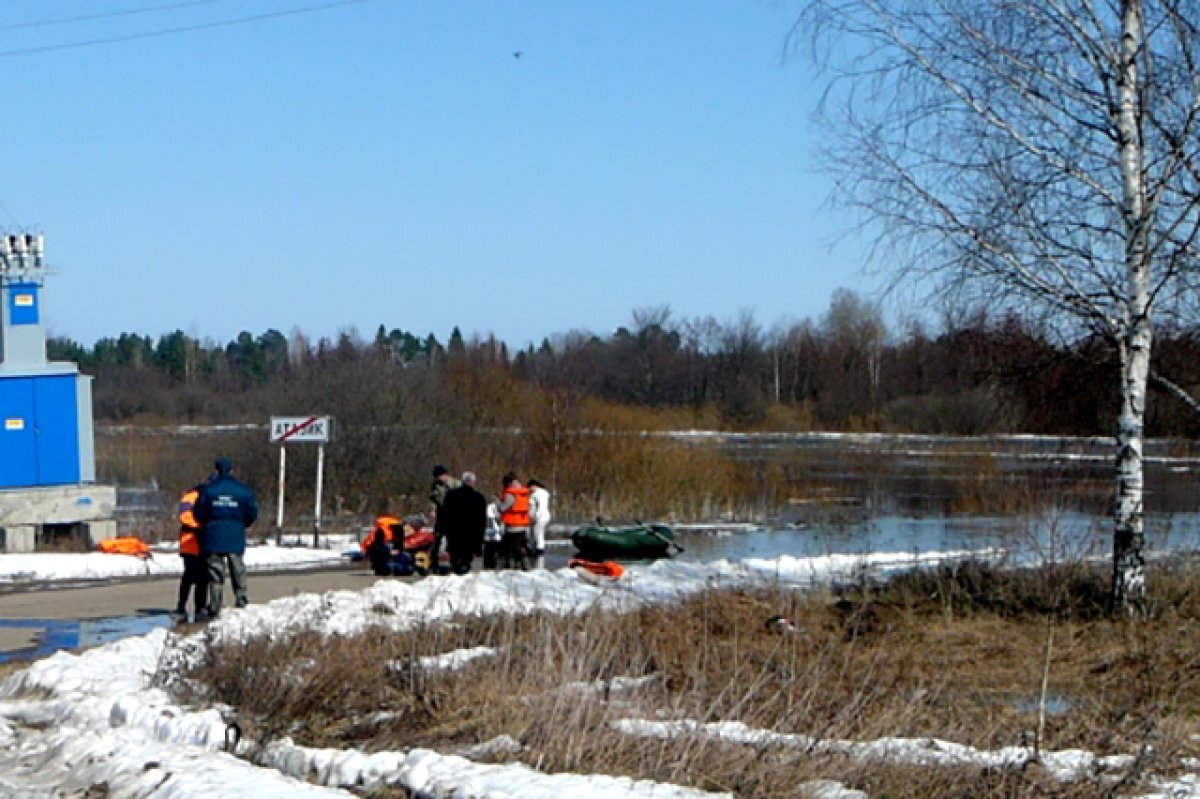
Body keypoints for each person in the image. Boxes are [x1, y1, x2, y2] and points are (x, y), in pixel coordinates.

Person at [194, 457, 259, 619]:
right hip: (235, 535)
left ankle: (215, 605)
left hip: (213, 536)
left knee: (216, 574)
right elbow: (252, 512)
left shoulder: (208, 491)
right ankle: (241, 599)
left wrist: (208, 524)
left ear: (216, 470)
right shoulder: (243, 491)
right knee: (237, 569)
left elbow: (199, 513)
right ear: (231, 471)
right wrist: (241, 524)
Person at [438, 471, 488, 575]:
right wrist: (480, 541)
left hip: (454, 534)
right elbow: (482, 521)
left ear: (462, 481)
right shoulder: (479, 498)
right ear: (473, 482)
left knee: (455, 559)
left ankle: (457, 573)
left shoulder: (451, 495)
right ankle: (464, 571)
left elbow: (444, 514)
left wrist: (442, 530)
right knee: (466, 560)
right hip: (471, 535)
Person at [174, 482, 208, 620]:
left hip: (202, 543)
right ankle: (181, 605)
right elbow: (185, 516)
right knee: (189, 576)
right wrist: (201, 525)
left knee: (203, 578)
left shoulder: (206, 496)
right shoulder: (190, 496)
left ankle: (200, 607)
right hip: (190, 543)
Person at [427, 465, 462, 570]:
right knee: (436, 539)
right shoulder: (435, 486)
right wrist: (432, 509)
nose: (437, 479)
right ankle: (433, 562)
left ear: (445, 475)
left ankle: (456, 563)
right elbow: (432, 499)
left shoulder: (456, 484)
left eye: (438, 476)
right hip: (442, 517)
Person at [495, 471, 531, 570]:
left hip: (513, 525)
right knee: (520, 545)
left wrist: (497, 501)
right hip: (523, 524)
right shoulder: (523, 492)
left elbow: (502, 508)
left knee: (508, 546)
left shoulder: (511, 494)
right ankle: (523, 563)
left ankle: (512, 565)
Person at [527, 478, 552, 569]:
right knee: (537, 533)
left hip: (540, 517)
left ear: (534, 486)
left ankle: (539, 550)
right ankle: (538, 549)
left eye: (530, 487)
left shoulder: (539, 494)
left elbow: (541, 506)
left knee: (537, 533)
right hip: (540, 517)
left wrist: (536, 516)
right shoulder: (539, 493)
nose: (529, 489)